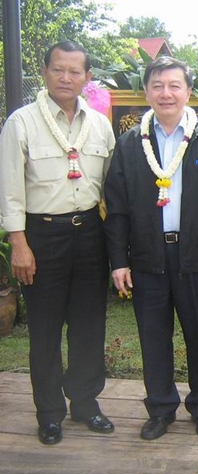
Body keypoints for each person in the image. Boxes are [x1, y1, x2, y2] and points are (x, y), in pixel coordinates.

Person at [103, 57, 198, 441]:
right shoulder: (130, 144)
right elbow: (117, 207)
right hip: (148, 257)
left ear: (188, 92)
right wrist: (119, 261)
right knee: (153, 337)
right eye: (157, 85)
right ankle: (160, 409)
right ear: (145, 91)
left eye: (175, 85)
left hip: (197, 258)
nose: (166, 93)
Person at [0, 41, 116, 445]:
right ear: (45, 71)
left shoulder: (99, 125)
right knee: (45, 329)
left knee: (89, 325)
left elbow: (111, 186)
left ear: (87, 77)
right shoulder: (21, 123)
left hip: (90, 234)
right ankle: (49, 413)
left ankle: (85, 403)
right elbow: (10, 190)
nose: (65, 78)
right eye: (58, 69)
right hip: (42, 235)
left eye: (74, 71)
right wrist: (19, 243)